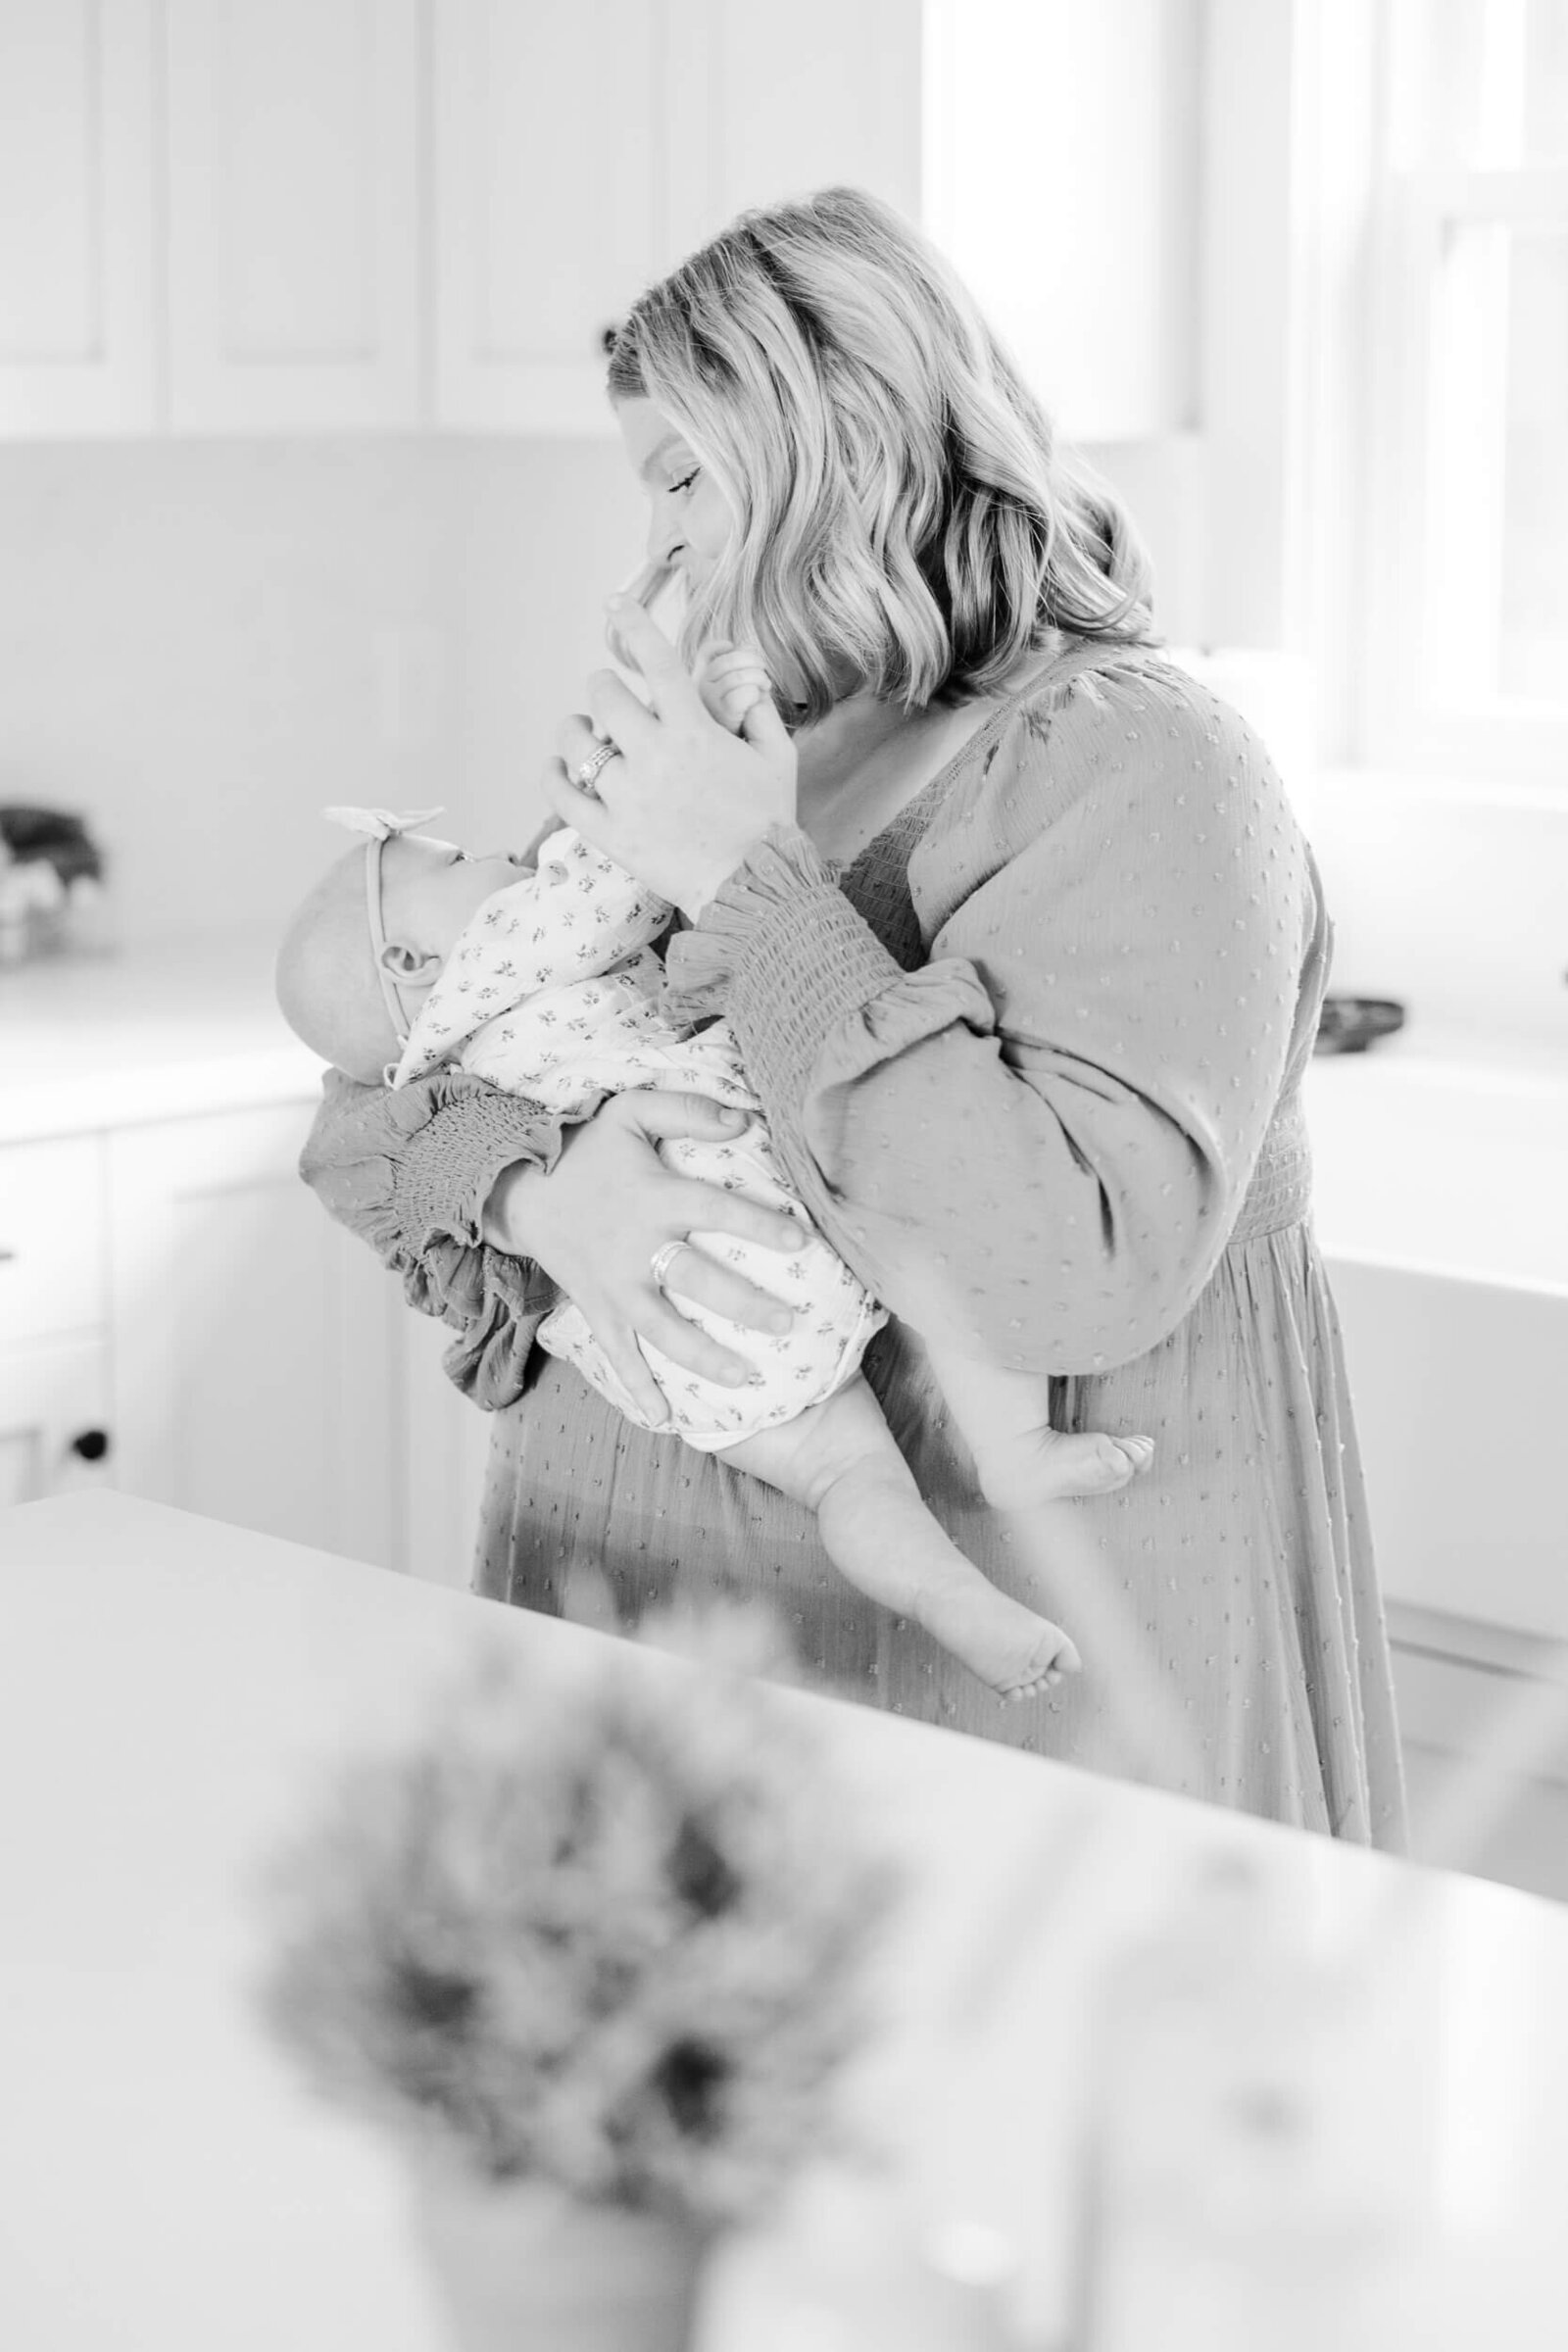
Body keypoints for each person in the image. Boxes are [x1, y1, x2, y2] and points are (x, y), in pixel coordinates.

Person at [298, 186, 1405, 1845]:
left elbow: (1063, 1267)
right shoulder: (739, 754)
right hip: (637, 1637)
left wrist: (742, 885)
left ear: (837, 443)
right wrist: (539, 1190)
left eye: (681, 473)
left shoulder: (1143, 768)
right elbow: (377, 1090)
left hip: (1001, 1687)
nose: (654, 546)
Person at [277, 779, 1154, 1698]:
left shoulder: (421, 1081)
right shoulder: (508, 948)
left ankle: (951, 1600)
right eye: (458, 864)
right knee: (936, 1218)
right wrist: (623, 786)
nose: (501, 860)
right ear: (413, 960)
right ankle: (1012, 1446)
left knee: (848, 1481)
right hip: (768, 1200)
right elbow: (630, 875)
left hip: (683, 1352)